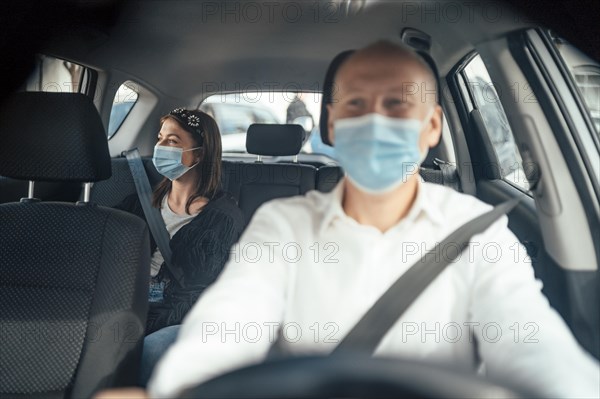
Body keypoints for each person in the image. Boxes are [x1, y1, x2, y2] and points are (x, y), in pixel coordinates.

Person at [98, 41, 600, 399]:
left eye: (397, 104)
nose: (376, 119)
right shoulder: (284, 224)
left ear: (431, 127)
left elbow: (530, 341)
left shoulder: (481, 231)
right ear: (332, 125)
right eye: (356, 104)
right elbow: (229, 322)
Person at [116, 108, 245, 384]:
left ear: (199, 153)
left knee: (153, 349)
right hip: (128, 302)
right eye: (160, 139)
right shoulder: (138, 202)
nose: (161, 147)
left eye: (173, 142)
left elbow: (196, 293)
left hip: (182, 317)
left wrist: (142, 324)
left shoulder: (222, 219)